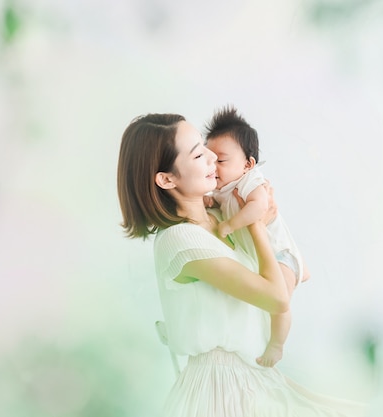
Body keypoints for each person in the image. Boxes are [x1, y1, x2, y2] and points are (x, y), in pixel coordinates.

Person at [117, 113, 366, 416]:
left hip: (255, 380)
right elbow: (276, 298)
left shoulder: (221, 218)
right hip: (219, 391)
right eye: (198, 153)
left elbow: (293, 275)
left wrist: (253, 216)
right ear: (167, 179)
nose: (212, 157)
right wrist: (256, 222)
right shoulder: (180, 240)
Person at [203, 105, 309, 367]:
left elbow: (259, 207)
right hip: (262, 258)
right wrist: (209, 203)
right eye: (209, 159)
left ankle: (277, 344)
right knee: (268, 299)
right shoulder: (223, 189)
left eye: (222, 160)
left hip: (280, 254)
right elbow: (217, 204)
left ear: (247, 164)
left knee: (280, 301)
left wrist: (229, 225)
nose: (214, 166)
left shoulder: (250, 181)